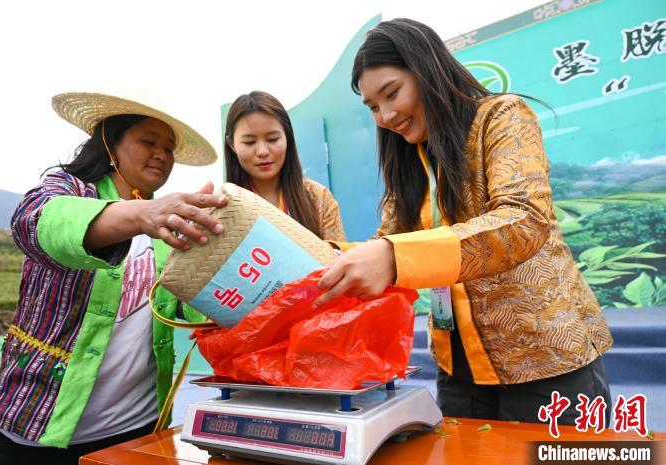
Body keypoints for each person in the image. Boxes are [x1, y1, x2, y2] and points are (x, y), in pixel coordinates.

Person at [315, 18, 613, 425]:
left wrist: (393, 256)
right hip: (460, 367)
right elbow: (385, 242)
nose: (385, 115)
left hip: (547, 357)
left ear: (428, 70)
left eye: (392, 93)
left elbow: (523, 220)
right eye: (372, 107)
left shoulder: (501, 117)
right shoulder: (410, 162)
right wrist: (319, 256)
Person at [0, 92, 227, 465]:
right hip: (35, 427)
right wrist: (140, 215)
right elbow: (35, 221)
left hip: (136, 428)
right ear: (112, 144)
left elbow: (193, 308)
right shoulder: (71, 189)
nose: (162, 154)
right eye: (149, 141)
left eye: (169, 148)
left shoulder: (171, 226)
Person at [224, 90, 346, 242]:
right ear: (232, 145)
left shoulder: (319, 198)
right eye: (249, 142)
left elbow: (338, 255)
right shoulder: (222, 207)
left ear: (287, 137)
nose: (263, 151)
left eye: (273, 139)